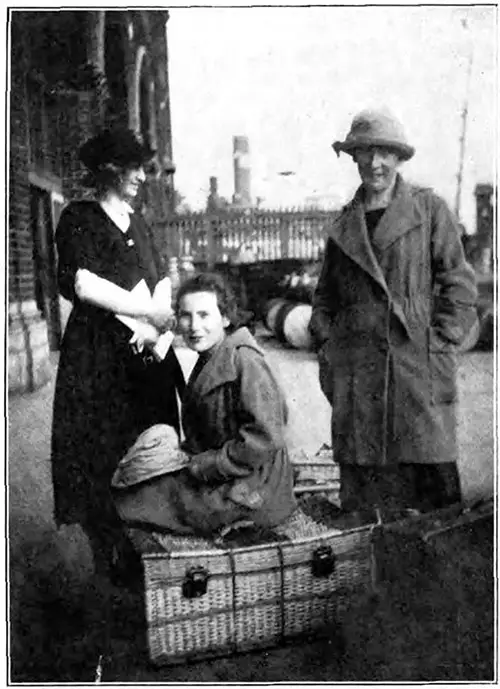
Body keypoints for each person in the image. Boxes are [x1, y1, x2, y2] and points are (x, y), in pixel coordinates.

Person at [309, 108, 478, 519]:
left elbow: (459, 281)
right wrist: (330, 349)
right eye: (365, 153)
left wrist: (439, 340)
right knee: (369, 509)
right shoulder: (343, 226)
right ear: (354, 158)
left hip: (416, 372)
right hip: (359, 376)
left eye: (384, 153)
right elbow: (325, 299)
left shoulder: (429, 210)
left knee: (436, 504)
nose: (375, 163)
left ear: (399, 158)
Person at [51, 127, 185, 577]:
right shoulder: (79, 218)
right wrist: (147, 313)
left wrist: (159, 327)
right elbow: (84, 283)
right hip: (99, 357)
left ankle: (147, 547)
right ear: (108, 170)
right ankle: (107, 550)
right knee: (99, 450)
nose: (141, 177)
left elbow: (162, 276)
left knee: (150, 444)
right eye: (134, 169)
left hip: (146, 354)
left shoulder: (139, 222)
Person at [111, 272, 297, 536]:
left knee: (136, 502)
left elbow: (266, 438)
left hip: (256, 485)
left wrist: (207, 465)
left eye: (204, 315)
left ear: (226, 317)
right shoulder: (211, 356)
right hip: (229, 472)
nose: (194, 326)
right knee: (140, 491)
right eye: (186, 316)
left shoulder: (246, 361)